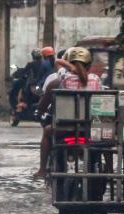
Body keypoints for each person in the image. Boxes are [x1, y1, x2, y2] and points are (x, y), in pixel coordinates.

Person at [32, 47, 102, 178]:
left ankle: (42, 170)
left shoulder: (63, 79)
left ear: (69, 63)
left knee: (47, 131)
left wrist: (71, 68)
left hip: (65, 128)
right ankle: (109, 170)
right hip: (91, 129)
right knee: (107, 143)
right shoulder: (96, 80)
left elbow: (57, 61)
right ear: (89, 65)